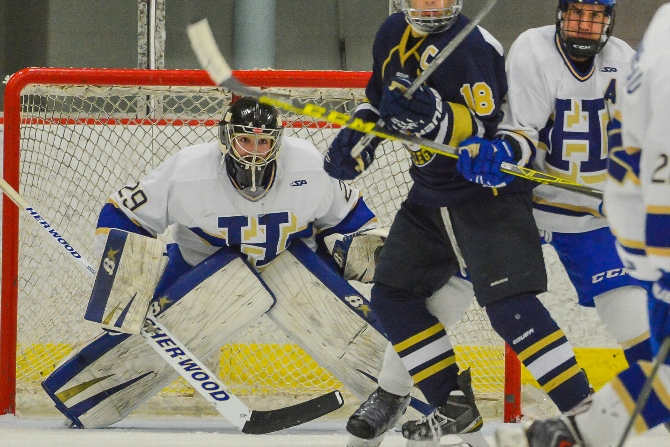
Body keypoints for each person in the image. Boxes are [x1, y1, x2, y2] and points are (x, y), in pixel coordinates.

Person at [325, 0, 592, 445]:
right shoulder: (390, 33)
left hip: (489, 196)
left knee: (511, 311)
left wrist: (438, 118)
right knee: (392, 297)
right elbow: (379, 101)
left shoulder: (472, 46)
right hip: (430, 196)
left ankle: (586, 414)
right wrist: (361, 137)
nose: (431, 6)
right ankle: (452, 406)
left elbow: (490, 128)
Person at [41, 97, 385, 429]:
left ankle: (406, 393)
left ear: (277, 142)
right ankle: (86, 391)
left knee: (363, 330)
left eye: (263, 142)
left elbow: (351, 219)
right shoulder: (188, 171)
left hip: (293, 261)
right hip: (200, 265)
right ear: (225, 139)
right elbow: (124, 214)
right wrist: (126, 282)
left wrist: (366, 251)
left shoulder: (309, 165)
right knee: (130, 335)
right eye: (245, 139)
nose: (253, 150)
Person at [496, 3, 670, 446]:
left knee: (645, 337)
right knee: (469, 286)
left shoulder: (625, 58)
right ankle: (413, 395)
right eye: (577, 13)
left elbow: (640, 139)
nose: (585, 25)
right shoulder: (531, 50)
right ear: (560, 13)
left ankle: (582, 429)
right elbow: (522, 130)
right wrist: (505, 153)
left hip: (593, 220)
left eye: (595, 17)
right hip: (523, 208)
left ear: (608, 22)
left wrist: (630, 198)